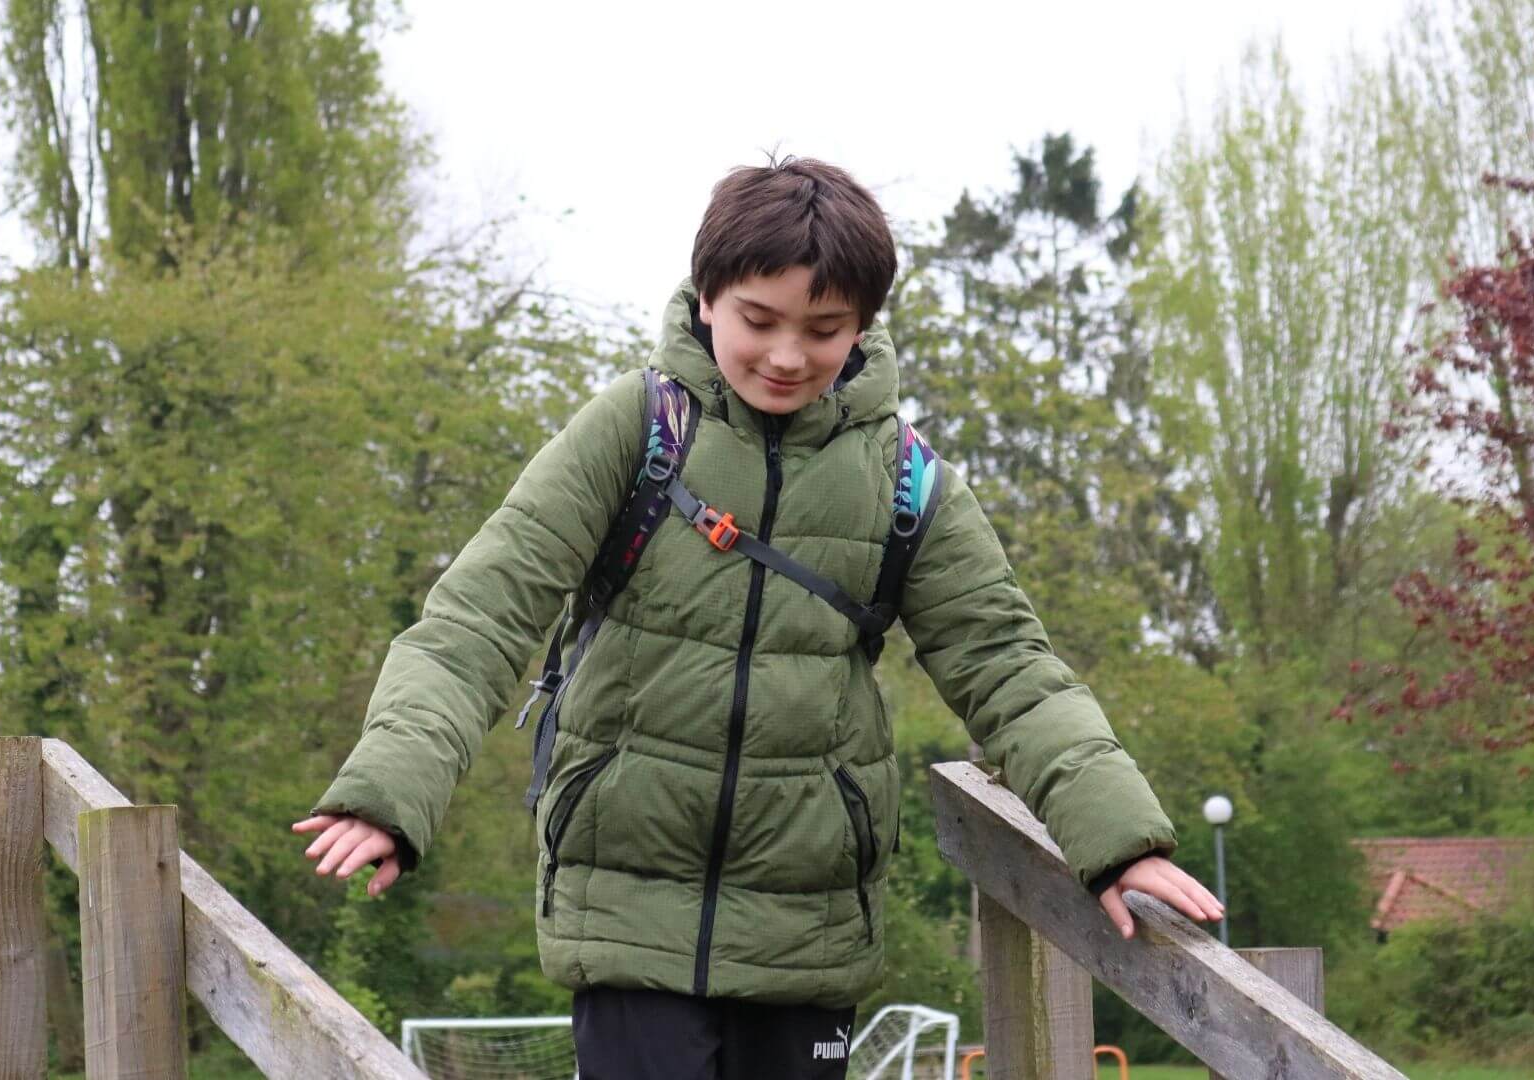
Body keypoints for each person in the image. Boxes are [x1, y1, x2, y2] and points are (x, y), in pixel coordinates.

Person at [291, 157, 1222, 1079]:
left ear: (862, 326)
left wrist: (1116, 842)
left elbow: (1009, 668)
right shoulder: (636, 429)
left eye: (824, 330)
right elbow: (480, 616)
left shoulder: (905, 479)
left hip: (807, 919)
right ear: (706, 297)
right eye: (759, 320)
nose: (787, 356)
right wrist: (389, 790)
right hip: (627, 901)